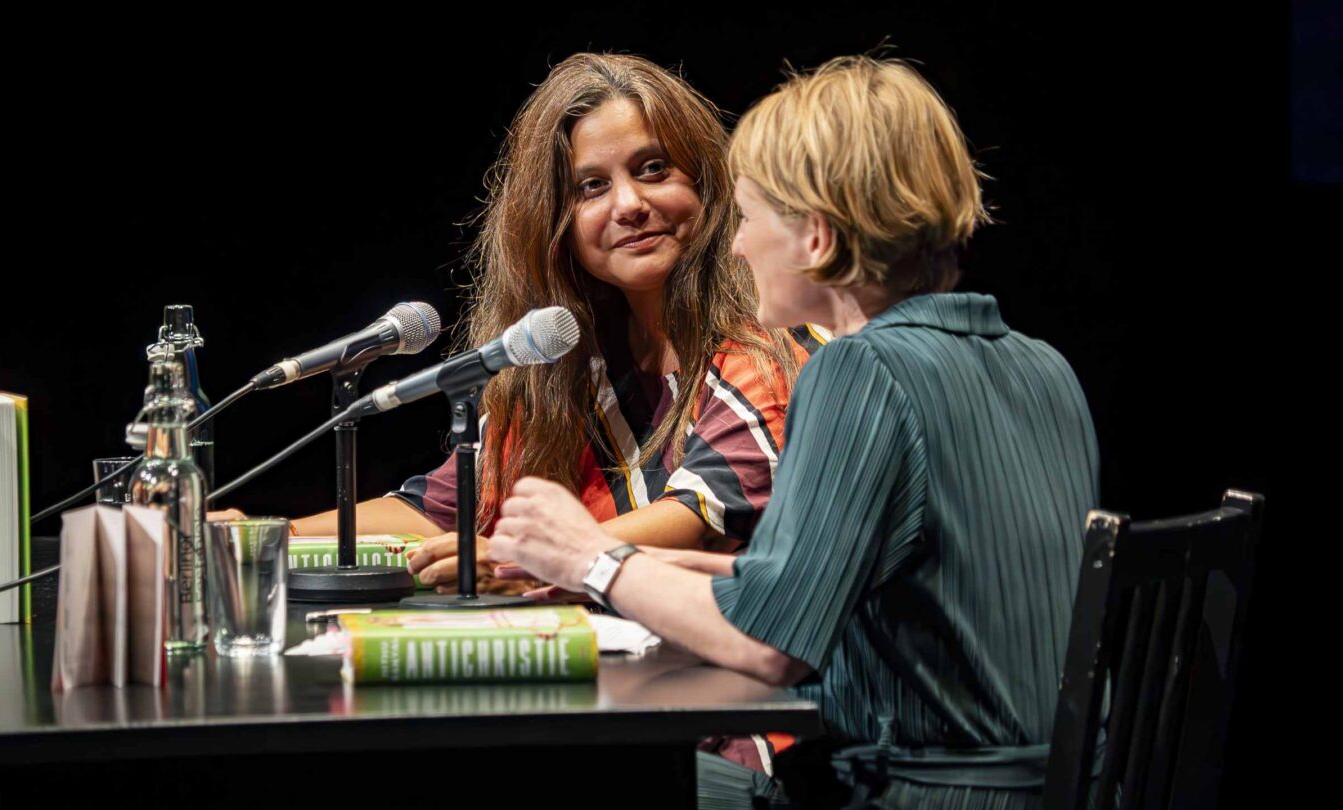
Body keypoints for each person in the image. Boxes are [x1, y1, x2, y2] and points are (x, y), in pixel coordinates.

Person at [486, 55, 1100, 808]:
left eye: (747, 216)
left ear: (814, 237)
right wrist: (602, 557)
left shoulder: (858, 371)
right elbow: (813, 580)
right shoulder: (1042, 365)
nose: (736, 245)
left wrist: (590, 557)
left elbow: (768, 644)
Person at [282, 54, 821, 593]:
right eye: (591, 187)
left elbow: (699, 517)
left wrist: (525, 562)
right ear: (553, 226)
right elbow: (441, 511)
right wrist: (269, 537)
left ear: (707, 182)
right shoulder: (567, 366)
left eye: (653, 169)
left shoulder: (768, 341)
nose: (629, 204)